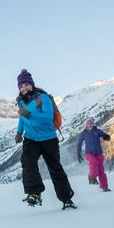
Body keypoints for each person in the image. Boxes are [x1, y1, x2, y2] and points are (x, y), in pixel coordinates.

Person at [15, 69, 76, 209]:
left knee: (55, 169)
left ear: (32, 84)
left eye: (26, 85)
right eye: (21, 86)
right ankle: (34, 193)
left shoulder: (43, 98)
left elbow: (47, 117)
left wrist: (29, 114)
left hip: (48, 139)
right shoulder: (21, 102)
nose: (24, 88)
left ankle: (66, 199)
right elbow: (22, 118)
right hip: (30, 139)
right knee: (27, 161)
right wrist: (19, 133)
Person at [76, 118, 112, 192]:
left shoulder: (97, 131)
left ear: (93, 124)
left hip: (98, 153)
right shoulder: (83, 133)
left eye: (91, 123)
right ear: (85, 125)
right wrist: (78, 153)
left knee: (101, 170)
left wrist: (107, 137)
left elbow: (105, 136)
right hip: (89, 153)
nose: (90, 125)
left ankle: (104, 187)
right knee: (93, 162)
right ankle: (92, 177)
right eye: (88, 124)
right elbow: (79, 144)